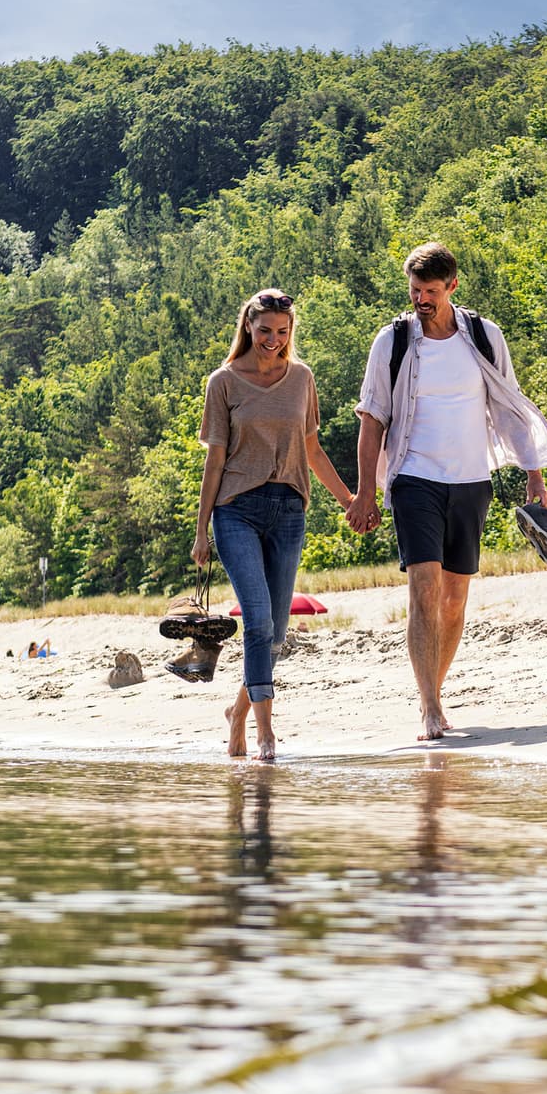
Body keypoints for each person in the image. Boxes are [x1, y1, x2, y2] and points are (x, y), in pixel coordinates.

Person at [348, 241, 547, 741]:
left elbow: (509, 408)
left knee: (454, 600)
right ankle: (428, 707)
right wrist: (365, 491)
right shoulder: (394, 341)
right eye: (414, 291)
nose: (421, 300)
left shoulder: (485, 337)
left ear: (452, 286)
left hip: (471, 480)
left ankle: (436, 692)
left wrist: (534, 472)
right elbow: (372, 418)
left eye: (430, 291)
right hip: (414, 477)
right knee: (423, 588)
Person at [193, 288, 357, 763]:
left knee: (276, 634)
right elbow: (216, 459)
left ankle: (238, 712)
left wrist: (349, 499)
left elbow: (312, 448)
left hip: (288, 510)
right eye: (265, 330)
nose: (273, 340)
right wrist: (201, 530)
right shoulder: (223, 382)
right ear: (248, 325)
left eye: (282, 332)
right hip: (236, 510)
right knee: (258, 622)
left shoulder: (301, 378)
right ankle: (266, 734)